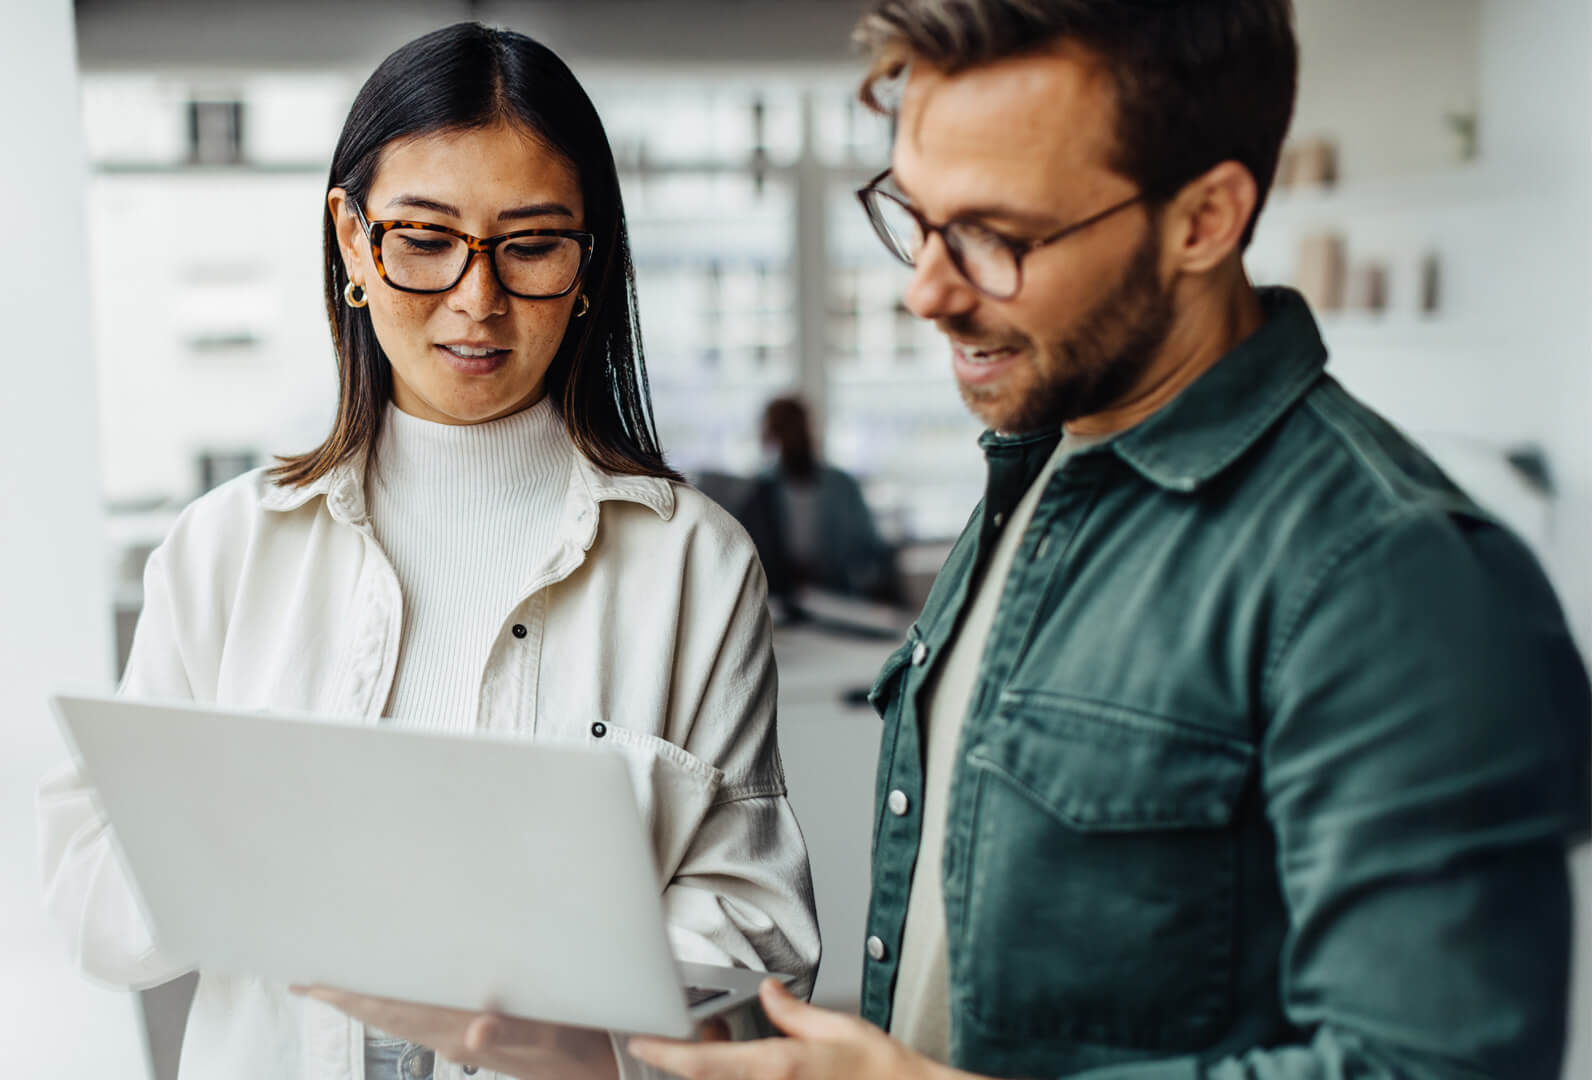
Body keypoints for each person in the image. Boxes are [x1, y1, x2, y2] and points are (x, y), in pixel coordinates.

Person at [632, 2, 1591, 1079]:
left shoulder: (1397, 577)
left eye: (997, 237)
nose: (925, 291)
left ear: (1205, 219)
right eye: (915, 214)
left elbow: (1434, 1068)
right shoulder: (1039, 467)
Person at [39, 23, 819, 1080]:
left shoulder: (696, 566)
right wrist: (262, 838)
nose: (476, 298)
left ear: (591, 263)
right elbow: (95, 916)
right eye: (424, 237)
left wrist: (571, 1020)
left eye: (532, 244)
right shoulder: (224, 549)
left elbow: (759, 939)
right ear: (353, 242)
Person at [739, 395, 900, 608]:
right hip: (781, 603)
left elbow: (870, 550)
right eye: (782, 431)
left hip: (840, 599)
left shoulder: (842, 487)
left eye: (794, 429)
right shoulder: (760, 490)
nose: (790, 439)